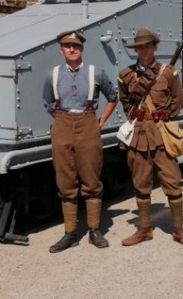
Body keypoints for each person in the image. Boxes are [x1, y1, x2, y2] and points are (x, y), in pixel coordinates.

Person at [117, 28, 183, 247]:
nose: (144, 50)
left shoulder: (168, 73)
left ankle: (179, 230)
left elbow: (177, 100)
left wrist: (160, 118)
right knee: (141, 183)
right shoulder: (126, 75)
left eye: (147, 45)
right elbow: (125, 101)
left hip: (162, 135)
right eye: (139, 47)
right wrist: (140, 119)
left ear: (154, 47)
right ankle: (144, 229)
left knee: (172, 181)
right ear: (136, 50)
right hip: (138, 136)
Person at [43, 30, 118, 253]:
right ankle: (70, 233)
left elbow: (112, 97)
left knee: (91, 178)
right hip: (62, 124)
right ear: (61, 49)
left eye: (75, 46)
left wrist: (100, 122)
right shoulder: (53, 75)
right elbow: (48, 102)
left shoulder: (95, 73)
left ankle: (95, 230)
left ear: (82, 49)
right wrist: (60, 122)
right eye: (67, 46)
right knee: (65, 180)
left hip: (88, 123)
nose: (72, 49)